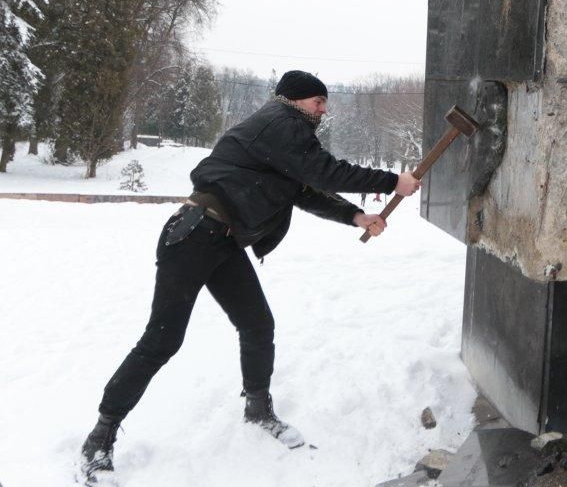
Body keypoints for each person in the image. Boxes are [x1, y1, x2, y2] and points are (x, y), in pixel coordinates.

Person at [79, 70, 420, 479]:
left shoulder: (286, 137)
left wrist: (356, 216)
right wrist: (392, 181)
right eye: (318, 102)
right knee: (162, 340)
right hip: (193, 235)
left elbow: (305, 190)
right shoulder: (280, 123)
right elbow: (325, 172)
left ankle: (258, 408)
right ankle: (101, 436)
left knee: (257, 324)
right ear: (295, 100)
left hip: (221, 241)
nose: (324, 110)